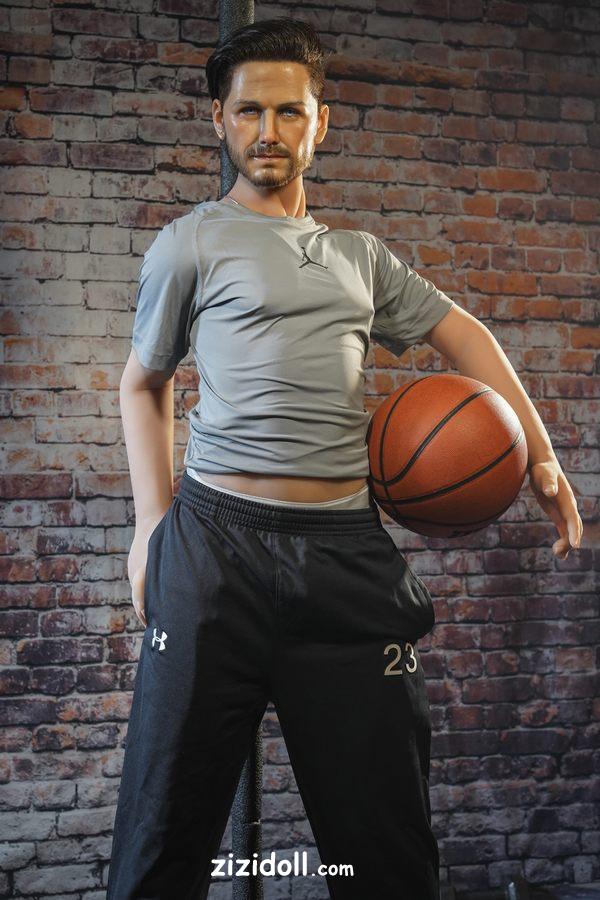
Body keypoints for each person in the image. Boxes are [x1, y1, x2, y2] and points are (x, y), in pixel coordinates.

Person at [106, 17, 583, 900]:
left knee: (387, 854)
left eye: (289, 112)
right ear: (219, 119)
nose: (269, 131)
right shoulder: (190, 243)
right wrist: (149, 528)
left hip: (344, 558)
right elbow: (144, 382)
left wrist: (541, 459)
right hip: (213, 552)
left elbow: (466, 337)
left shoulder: (361, 258)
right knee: (159, 845)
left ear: (320, 122)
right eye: (250, 111)